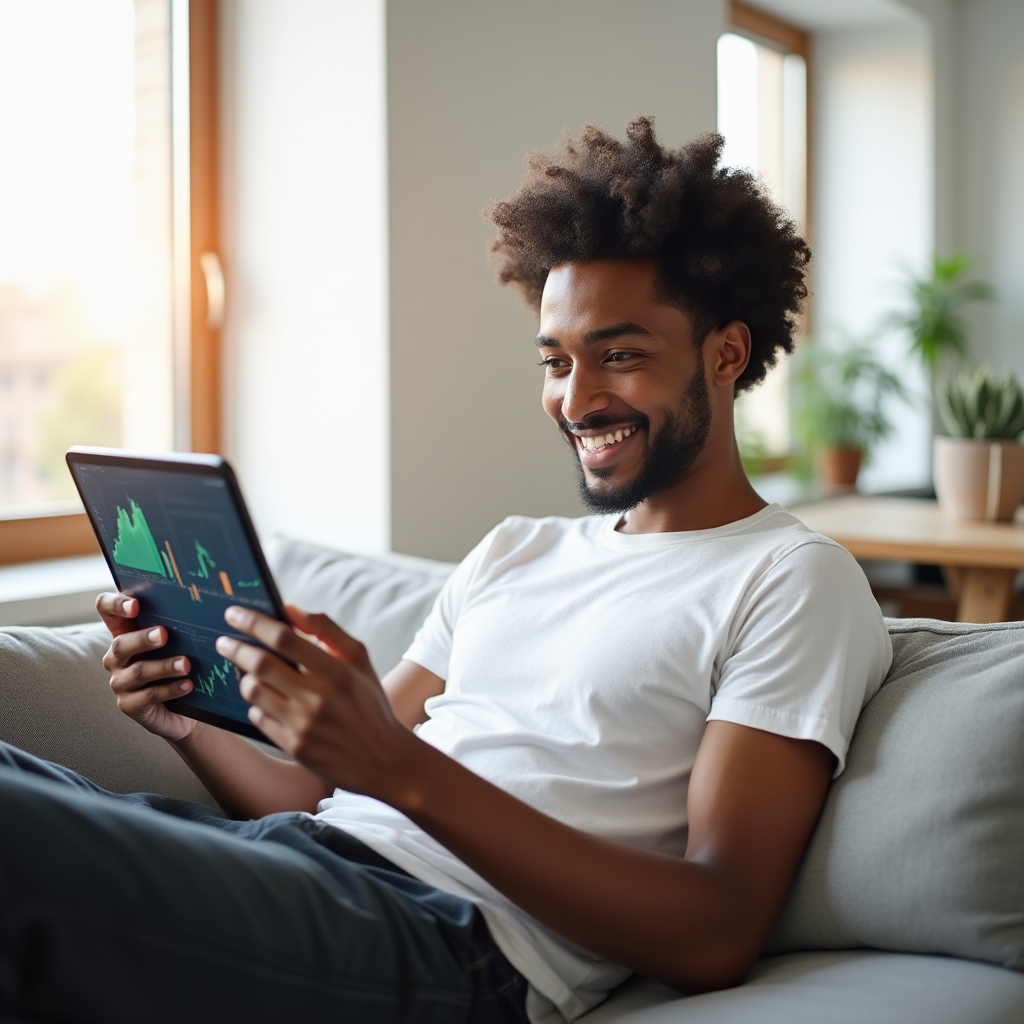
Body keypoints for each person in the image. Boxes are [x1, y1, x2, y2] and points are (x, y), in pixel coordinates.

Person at [0, 119, 890, 1024]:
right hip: (298, 856)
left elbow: (716, 928)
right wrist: (183, 725)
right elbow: (324, 790)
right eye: (556, 361)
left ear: (726, 354)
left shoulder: (790, 578)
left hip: (445, 941)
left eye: (619, 356)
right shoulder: (515, 550)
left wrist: (399, 768)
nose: (576, 401)